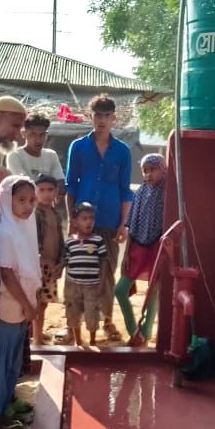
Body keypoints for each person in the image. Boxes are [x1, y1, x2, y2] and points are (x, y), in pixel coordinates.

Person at [65, 94, 133, 340]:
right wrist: (72, 220)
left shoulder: (123, 151)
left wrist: (123, 224)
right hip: (82, 221)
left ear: (114, 119)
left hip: (110, 221)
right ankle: (72, 324)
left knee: (106, 272)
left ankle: (107, 321)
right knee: (76, 272)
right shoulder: (78, 147)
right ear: (90, 117)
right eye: (98, 115)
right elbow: (71, 185)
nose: (102, 120)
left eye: (107, 116)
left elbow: (125, 190)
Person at [0, 176, 40, 429]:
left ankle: (3, 412)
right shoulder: (5, 233)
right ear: (7, 200)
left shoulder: (24, 229)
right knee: (0, 364)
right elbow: (7, 275)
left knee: (12, 365)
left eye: (31, 200)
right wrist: (27, 304)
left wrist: (31, 303)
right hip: (10, 308)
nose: (28, 206)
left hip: (22, 309)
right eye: (21, 200)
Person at [115, 154, 166, 343]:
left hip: (157, 247)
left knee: (153, 292)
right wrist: (126, 254)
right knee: (120, 290)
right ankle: (133, 329)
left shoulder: (168, 193)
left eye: (153, 169)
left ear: (163, 169)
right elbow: (131, 224)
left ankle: (145, 333)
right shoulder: (140, 193)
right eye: (145, 170)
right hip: (137, 246)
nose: (148, 174)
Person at [64, 202, 108, 347]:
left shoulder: (98, 240)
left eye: (91, 218)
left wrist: (102, 282)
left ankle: (93, 341)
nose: (89, 222)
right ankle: (78, 341)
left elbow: (103, 262)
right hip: (73, 286)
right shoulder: (70, 241)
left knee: (92, 314)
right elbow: (66, 260)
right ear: (75, 222)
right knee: (73, 313)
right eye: (84, 218)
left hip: (92, 286)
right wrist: (58, 269)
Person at [33, 173, 65, 346]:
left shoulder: (55, 213)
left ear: (56, 192)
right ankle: (36, 338)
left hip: (51, 266)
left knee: (44, 303)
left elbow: (60, 239)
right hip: (38, 265)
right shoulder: (35, 213)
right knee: (36, 302)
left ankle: (38, 332)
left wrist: (61, 262)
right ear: (35, 192)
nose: (46, 194)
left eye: (50, 190)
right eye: (42, 190)